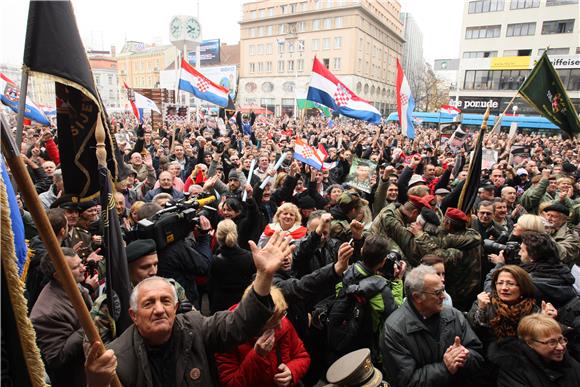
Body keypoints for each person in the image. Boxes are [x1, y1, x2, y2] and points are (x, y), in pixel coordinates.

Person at [85, 231, 294, 387]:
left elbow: (237, 324)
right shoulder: (119, 358)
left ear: (176, 307)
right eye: (149, 303)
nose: (159, 310)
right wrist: (97, 382)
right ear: (133, 315)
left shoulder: (195, 326)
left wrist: (264, 276)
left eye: (166, 301)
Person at [381, 265, 484, 387]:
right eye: (437, 292)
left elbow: (477, 355)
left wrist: (463, 356)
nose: (444, 296)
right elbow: (405, 382)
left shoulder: (453, 315)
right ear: (417, 297)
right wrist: (444, 368)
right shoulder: (394, 330)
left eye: (443, 290)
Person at [215, 286, 311, 387]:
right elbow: (230, 383)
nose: (280, 326)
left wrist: (291, 371)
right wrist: (257, 356)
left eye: (282, 316)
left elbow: (302, 356)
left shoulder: (282, 322)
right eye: (273, 323)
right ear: (255, 322)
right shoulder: (227, 336)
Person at [30, 247, 97, 387]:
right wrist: (91, 322)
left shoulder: (71, 284)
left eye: (81, 263)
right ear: (58, 275)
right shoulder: (46, 314)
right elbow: (57, 358)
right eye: (76, 267)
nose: (83, 268)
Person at [496, 313, 580, 386]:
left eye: (561, 339)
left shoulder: (570, 364)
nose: (560, 347)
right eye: (552, 342)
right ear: (530, 343)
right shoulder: (513, 372)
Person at [517, 231, 576, 309]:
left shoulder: (529, 283)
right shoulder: (564, 273)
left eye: (522, 250)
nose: (519, 253)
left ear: (532, 256)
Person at [209, 219, 256, 313]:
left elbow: (211, 286)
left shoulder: (214, 260)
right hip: (243, 303)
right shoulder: (249, 256)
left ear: (218, 236)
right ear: (236, 234)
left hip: (221, 306)